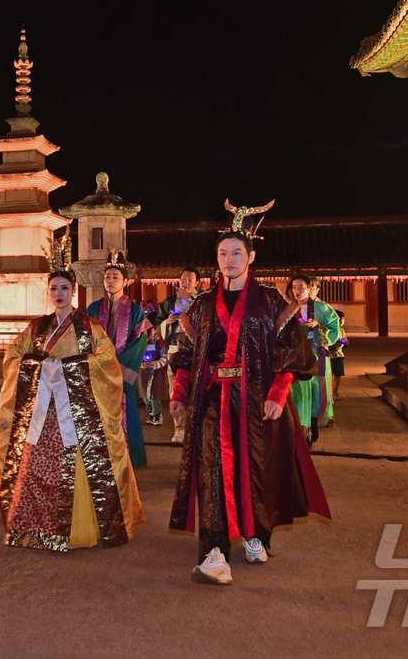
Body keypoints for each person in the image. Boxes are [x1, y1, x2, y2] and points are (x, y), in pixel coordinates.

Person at [168, 206, 330, 586]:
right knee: (213, 472)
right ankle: (215, 552)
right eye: (223, 253)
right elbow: (188, 352)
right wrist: (179, 391)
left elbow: (290, 352)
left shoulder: (271, 301)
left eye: (237, 253)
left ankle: (257, 534)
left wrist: (278, 392)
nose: (229, 260)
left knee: (258, 470)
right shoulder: (204, 305)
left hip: (258, 402)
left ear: (251, 257)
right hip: (212, 401)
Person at [0, 257, 145, 551]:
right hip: (42, 414)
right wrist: (40, 369)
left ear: (73, 291)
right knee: (37, 470)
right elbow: (12, 356)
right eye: (53, 288)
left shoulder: (90, 327)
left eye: (64, 287)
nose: (59, 293)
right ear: (48, 292)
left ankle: (81, 528)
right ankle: (38, 528)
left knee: (82, 470)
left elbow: (107, 363)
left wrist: (68, 369)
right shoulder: (36, 329)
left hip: (78, 414)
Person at [85, 250, 150, 468]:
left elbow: (141, 341)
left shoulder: (135, 311)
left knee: (126, 410)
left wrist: (117, 364)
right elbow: (84, 339)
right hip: (98, 371)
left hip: (123, 372)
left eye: (115, 277)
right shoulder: (93, 309)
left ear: (125, 281)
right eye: (107, 277)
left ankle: (129, 458)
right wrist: (97, 362)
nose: (110, 281)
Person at [287, 275, 342, 444]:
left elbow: (335, 330)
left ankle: (313, 425)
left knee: (317, 390)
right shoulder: (287, 309)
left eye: (301, 287)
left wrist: (318, 325)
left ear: (310, 289)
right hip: (296, 357)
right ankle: (299, 427)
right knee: (298, 392)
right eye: (294, 287)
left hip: (317, 355)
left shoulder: (323, 309)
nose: (297, 291)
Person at [154, 267, 201, 443]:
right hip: (175, 351)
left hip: (196, 351)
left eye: (190, 280)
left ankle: (197, 428)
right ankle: (179, 429)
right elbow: (158, 324)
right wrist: (167, 322)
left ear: (196, 283)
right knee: (176, 390)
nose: (186, 282)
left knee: (197, 390)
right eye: (183, 279)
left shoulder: (201, 301)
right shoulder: (169, 303)